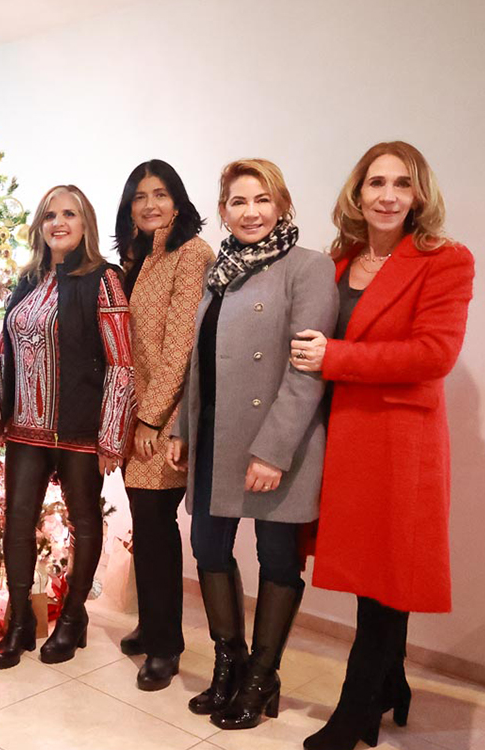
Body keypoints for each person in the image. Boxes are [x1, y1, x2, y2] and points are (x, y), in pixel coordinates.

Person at [291, 143, 475, 750]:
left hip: (400, 444)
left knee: (386, 578)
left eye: (402, 183)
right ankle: (390, 683)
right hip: (343, 436)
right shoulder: (338, 261)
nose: (388, 196)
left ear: (419, 194)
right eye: (376, 183)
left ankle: (355, 711)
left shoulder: (445, 259)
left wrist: (336, 358)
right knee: (372, 575)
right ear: (358, 192)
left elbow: (434, 354)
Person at [167, 159, 337, 729]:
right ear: (223, 211)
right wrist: (182, 428)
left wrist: (273, 451)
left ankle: (263, 677)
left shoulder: (308, 268)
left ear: (282, 205)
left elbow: (306, 371)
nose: (251, 212)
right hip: (215, 435)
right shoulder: (220, 272)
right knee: (208, 549)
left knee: (277, 558)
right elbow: (201, 363)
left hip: (276, 440)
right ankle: (229, 664)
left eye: (262, 199)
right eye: (239, 201)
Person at [0, 184, 136, 669]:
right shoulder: (27, 279)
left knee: (84, 521)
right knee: (18, 521)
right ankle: (19, 624)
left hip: (80, 428)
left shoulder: (104, 279)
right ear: (40, 225)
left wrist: (112, 434)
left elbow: (121, 362)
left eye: (70, 214)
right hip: (25, 427)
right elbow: (4, 350)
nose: (59, 223)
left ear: (85, 223)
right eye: (50, 215)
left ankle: (72, 618)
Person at [113, 161, 215, 690]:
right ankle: (151, 624)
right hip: (134, 414)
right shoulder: (137, 259)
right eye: (140, 196)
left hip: (166, 416)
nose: (150, 204)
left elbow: (181, 346)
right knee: (145, 523)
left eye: (161, 194)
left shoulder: (191, 254)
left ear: (178, 201)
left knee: (156, 525)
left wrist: (154, 418)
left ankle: (166, 645)